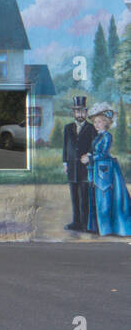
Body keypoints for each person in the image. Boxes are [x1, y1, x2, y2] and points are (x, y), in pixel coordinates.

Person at [80, 105, 131, 236]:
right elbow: (95, 152)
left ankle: (106, 229)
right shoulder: (98, 136)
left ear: (106, 123)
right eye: (95, 122)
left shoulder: (107, 136)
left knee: (104, 198)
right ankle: (99, 228)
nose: (96, 125)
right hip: (98, 168)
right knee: (98, 198)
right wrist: (88, 156)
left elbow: (103, 154)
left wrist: (89, 158)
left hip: (105, 170)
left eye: (99, 122)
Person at [62, 96, 97, 231]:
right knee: (74, 197)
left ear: (86, 113)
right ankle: (76, 222)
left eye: (82, 112)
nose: (80, 114)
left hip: (84, 168)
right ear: (74, 113)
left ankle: (85, 224)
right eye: (77, 112)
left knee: (84, 197)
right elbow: (65, 147)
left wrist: (89, 155)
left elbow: (94, 146)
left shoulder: (91, 128)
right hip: (71, 167)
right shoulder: (67, 128)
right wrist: (65, 162)